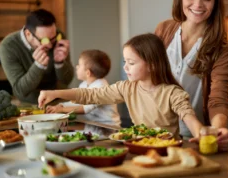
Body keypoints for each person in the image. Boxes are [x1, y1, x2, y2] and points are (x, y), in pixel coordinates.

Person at [38, 33, 204, 139]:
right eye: (125, 62)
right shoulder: (126, 88)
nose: (125, 67)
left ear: (152, 65)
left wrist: (200, 135)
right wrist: (54, 93)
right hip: (139, 147)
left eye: (131, 63)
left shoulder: (172, 93)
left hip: (167, 151)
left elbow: (188, 116)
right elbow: (90, 95)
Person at [155, 0, 228, 151]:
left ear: (215, 3)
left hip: (194, 136)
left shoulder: (221, 48)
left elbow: (218, 98)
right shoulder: (164, 30)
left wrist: (218, 128)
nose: (198, 4)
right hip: (155, 131)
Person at [0, 9, 74, 104]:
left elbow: (66, 80)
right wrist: (38, 66)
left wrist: (60, 63)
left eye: (53, 39)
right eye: (44, 40)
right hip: (31, 105)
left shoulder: (58, 36)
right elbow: (20, 90)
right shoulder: (8, 46)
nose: (50, 45)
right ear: (28, 34)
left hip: (60, 101)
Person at [46, 49, 121, 135]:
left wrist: (62, 109)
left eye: (79, 65)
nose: (76, 67)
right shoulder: (84, 85)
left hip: (108, 128)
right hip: (93, 126)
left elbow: (85, 109)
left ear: (88, 73)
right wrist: (61, 105)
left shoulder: (101, 87)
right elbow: (77, 103)